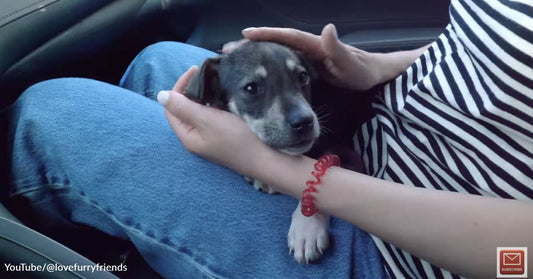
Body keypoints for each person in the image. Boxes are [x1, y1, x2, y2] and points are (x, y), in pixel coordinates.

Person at [7, 0, 532, 278]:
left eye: (301, 84)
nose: (301, 108)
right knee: (159, 61)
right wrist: (373, 66)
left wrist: (289, 176)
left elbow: (521, 255)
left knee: (52, 111)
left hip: (403, 253)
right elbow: (477, 48)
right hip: (381, 145)